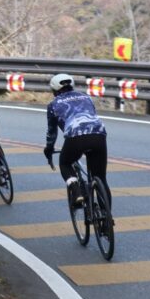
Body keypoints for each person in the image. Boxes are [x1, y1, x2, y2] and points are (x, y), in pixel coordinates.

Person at [43, 73, 109, 209]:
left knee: (65, 163)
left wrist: (49, 149)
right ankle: (107, 217)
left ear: (54, 90)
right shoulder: (86, 97)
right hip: (98, 133)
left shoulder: (53, 105)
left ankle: (76, 191)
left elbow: (52, 132)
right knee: (101, 178)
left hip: (75, 136)